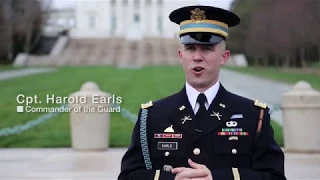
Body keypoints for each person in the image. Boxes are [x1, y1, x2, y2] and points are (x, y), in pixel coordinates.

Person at [118, 5, 286, 180]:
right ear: (180, 55)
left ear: (224, 57)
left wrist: (217, 178)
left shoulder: (253, 115)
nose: (197, 57)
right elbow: (128, 176)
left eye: (207, 48)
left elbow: (274, 176)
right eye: (190, 48)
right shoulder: (152, 116)